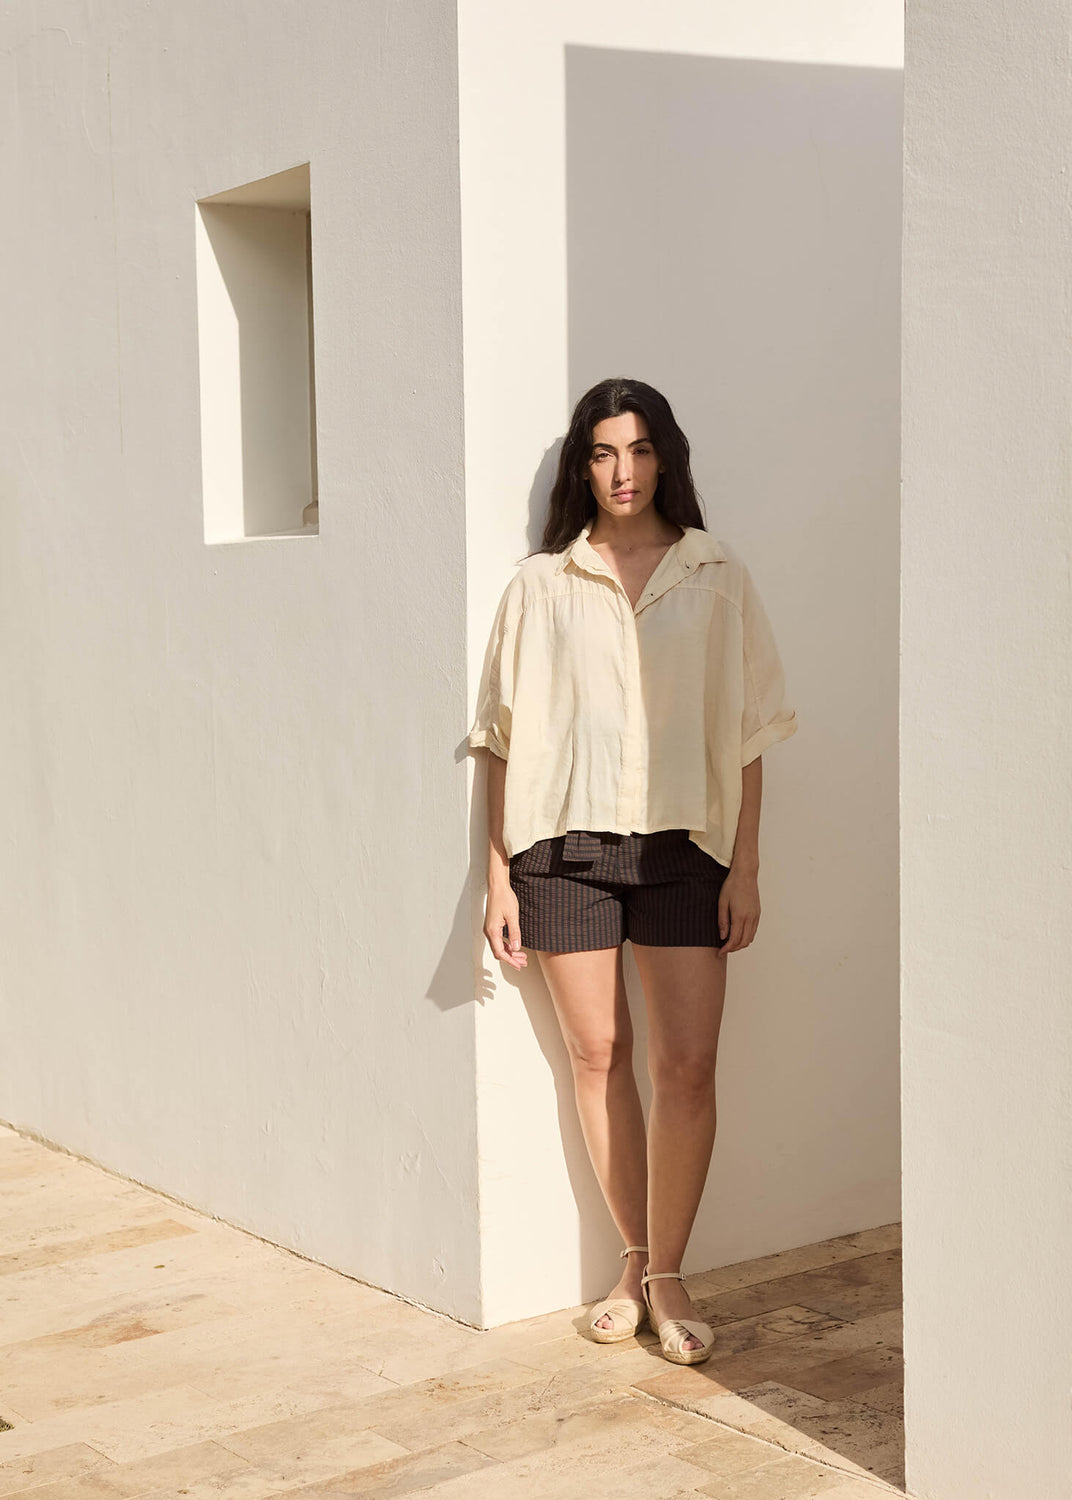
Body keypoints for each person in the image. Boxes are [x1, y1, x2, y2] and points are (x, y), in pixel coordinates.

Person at [466, 376, 797, 1365]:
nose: (624, 471)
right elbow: (498, 738)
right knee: (598, 1060)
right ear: (582, 464)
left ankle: (666, 1278)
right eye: (604, 452)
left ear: (667, 459)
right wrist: (494, 879)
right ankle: (635, 1258)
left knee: (686, 1066)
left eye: (641, 449)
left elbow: (751, 729)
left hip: (686, 849)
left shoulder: (715, 571)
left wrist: (744, 867)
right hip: (562, 853)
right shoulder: (540, 583)